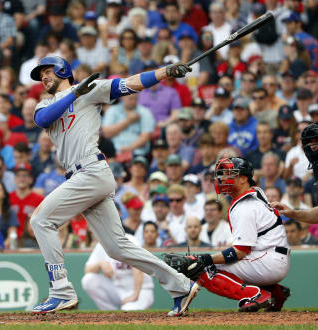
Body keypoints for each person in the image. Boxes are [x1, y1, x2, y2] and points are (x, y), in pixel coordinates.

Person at [28, 55, 197, 315]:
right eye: (40, 74)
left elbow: (127, 84)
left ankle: (61, 291)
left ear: (62, 70)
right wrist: (75, 95)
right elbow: (42, 120)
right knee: (117, 248)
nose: (43, 77)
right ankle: (181, 285)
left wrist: (164, 72)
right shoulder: (45, 104)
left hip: (90, 170)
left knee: (41, 220)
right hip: (80, 176)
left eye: (47, 71)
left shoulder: (89, 90)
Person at [172, 157, 291, 312]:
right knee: (217, 264)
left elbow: (241, 251)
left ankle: (257, 295)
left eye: (230, 174)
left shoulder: (245, 207)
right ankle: (276, 292)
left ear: (243, 179)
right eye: (223, 174)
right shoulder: (255, 192)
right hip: (271, 257)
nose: (223, 178)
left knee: (203, 268)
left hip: (268, 261)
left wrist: (204, 259)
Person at [81, 234, 154, 311]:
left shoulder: (130, 240)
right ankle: (110, 313)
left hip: (141, 290)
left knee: (128, 313)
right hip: (117, 289)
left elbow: (138, 268)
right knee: (88, 280)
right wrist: (100, 264)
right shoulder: (103, 243)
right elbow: (87, 270)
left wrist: (135, 295)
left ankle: (138, 304)